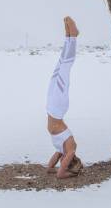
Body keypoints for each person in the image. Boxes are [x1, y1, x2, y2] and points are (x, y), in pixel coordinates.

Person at [45, 16, 83, 178]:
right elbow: (59, 175)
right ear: (70, 161)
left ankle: (68, 38)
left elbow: (50, 168)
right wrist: (70, 174)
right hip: (58, 108)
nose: (63, 162)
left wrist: (54, 167)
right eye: (66, 163)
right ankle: (73, 36)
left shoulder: (61, 150)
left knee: (60, 65)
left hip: (52, 107)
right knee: (66, 67)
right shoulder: (71, 148)